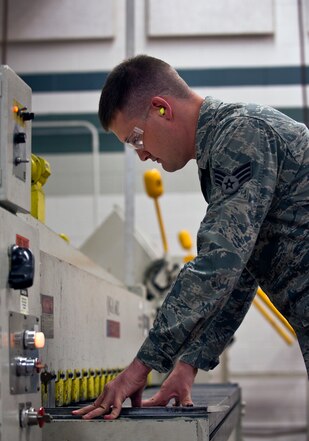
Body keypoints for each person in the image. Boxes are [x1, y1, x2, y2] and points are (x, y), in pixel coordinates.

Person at [73, 55, 309, 421]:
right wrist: (187, 364)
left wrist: (140, 368)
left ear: (161, 109)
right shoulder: (219, 153)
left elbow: (218, 265)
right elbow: (240, 272)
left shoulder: (241, 134)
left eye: (136, 137)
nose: (141, 154)